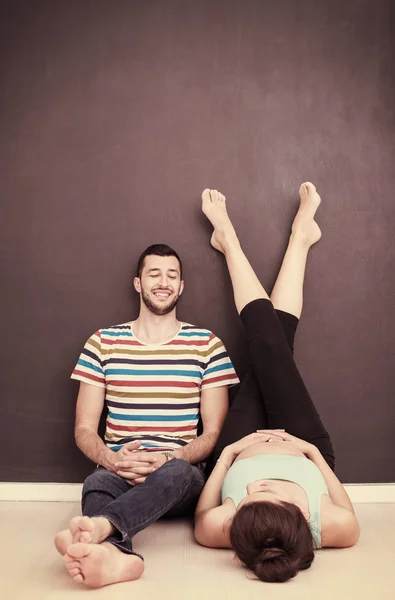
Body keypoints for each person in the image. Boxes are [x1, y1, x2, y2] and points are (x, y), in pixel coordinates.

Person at [194, 185, 360, 583]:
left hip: (242, 442)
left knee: (272, 346)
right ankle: (267, 240)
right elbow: (350, 512)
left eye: (252, 496)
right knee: (273, 346)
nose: (262, 485)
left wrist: (232, 452)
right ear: (301, 516)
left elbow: (201, 515)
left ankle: (261, 239)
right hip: (303, 443)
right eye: (274, 494)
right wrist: (309, 452)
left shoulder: (224, 529)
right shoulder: (334, 529)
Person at [55, 243, 239, 588]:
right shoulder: (102, 343)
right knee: (95, 482)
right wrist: (112, 460)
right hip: (119, 469)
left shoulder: (207, 344)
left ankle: (100, 530)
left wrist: (168, 457)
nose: (163, 282)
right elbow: (83, 428)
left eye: (172, 275)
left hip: (180, 475)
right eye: (154, 273)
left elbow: (212, 434)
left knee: (179, 472)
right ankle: (113, 556)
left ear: (181, 286)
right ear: (138, 283)